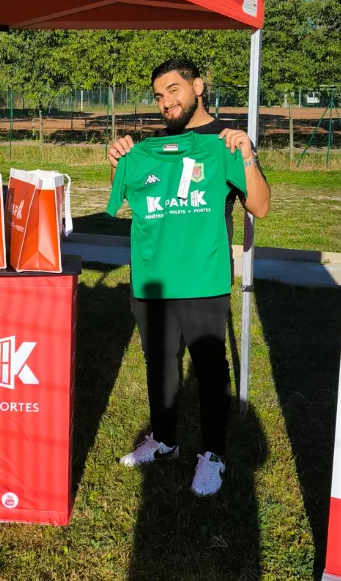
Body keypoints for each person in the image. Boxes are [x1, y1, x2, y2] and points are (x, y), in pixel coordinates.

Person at [106, 58, 270, 496]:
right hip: (153, 278)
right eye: (159, 95)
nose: (166, 102)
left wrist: (248, 152)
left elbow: (261, 206)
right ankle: (164, 441)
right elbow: (124, 202)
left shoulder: (225, 142)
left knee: (210, 367)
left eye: (174, 90)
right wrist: (119, 160)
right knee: (159, 364)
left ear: (198, 86)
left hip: (203, 277)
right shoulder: (151, 147)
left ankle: (212, 454)